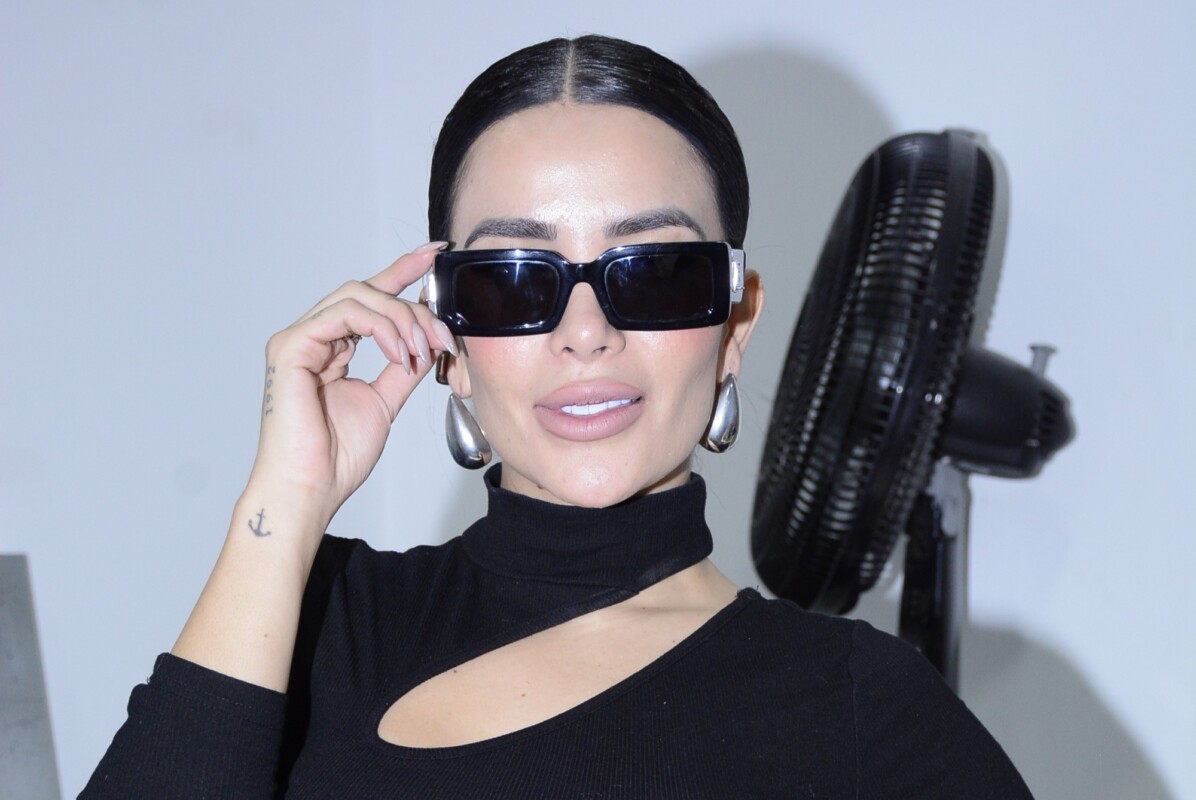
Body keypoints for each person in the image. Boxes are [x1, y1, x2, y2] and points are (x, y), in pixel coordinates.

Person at [82, 35, 1032, 798]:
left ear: (734, 326)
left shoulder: (861, 707)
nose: (586, 334)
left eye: (653, 273)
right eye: (512, 282)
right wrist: (283, 504)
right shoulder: (313, 617)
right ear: (449, 341)